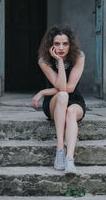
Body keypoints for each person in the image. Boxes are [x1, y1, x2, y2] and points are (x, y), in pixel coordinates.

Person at [32, 24, 86, 174]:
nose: (61, 47)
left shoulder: (79, 57)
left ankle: (69, 160)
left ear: (71, 44)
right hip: (54, 102)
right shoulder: (44, 60)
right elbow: (62, 87)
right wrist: (60, 61)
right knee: (62, 95)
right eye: (57, 43)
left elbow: (70, 88)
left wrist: (43, 91)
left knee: (70, 111)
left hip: (75, 100)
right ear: (51, 45)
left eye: (65, 43)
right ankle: (59, 150)